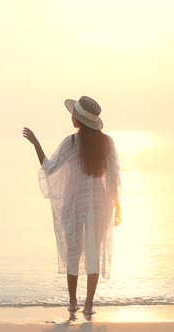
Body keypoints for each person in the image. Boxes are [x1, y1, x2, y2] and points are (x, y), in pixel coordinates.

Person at [22, 96, 122, 317]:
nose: (72, 116)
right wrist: (118, 206)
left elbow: (50, 168)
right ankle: (88, 305)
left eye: (74, 114)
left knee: (73, 253)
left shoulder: (71, 142)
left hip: (75, 202)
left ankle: (72, 302)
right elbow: (114, 177)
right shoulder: (107, 142)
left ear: (80, 120)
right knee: (94, 253)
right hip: (101, 204)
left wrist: (36, 144)